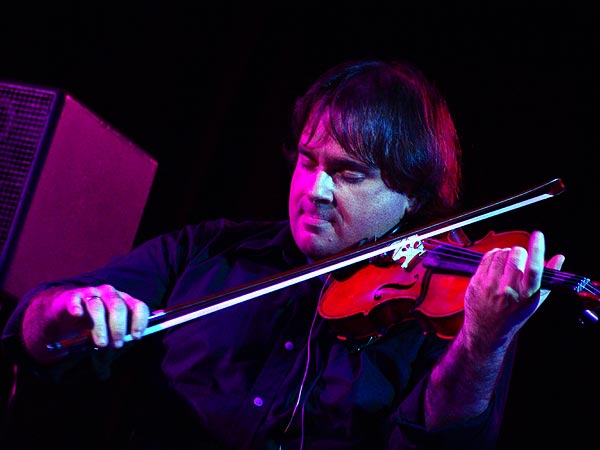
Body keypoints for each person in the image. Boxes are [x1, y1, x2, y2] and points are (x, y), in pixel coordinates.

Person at [0, 58, 564, 450]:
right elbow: (31, 335)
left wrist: (483, 343)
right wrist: (64, 312)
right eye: (308, 160)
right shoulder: (209, 249)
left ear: (412, 196)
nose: (313, 190)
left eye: (347, 174)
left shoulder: (456, 315)